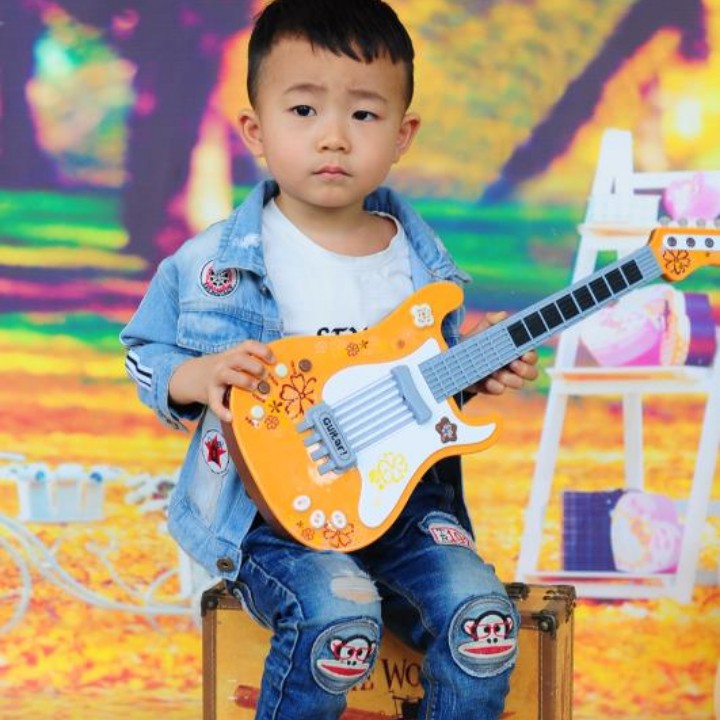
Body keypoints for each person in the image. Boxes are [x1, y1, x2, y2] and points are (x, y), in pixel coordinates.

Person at [120, 1, 538, 718]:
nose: (334, 136)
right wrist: (196, 376)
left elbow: (420, 397)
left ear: (402, 135)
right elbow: (145, 349)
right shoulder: (213, 262)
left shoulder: (423, 271)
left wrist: (473, 369)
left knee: (483, 623)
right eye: (304, 110)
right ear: (256, 131)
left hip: (405, 508)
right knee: (337, 618)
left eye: (364, 114)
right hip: (273, 515)